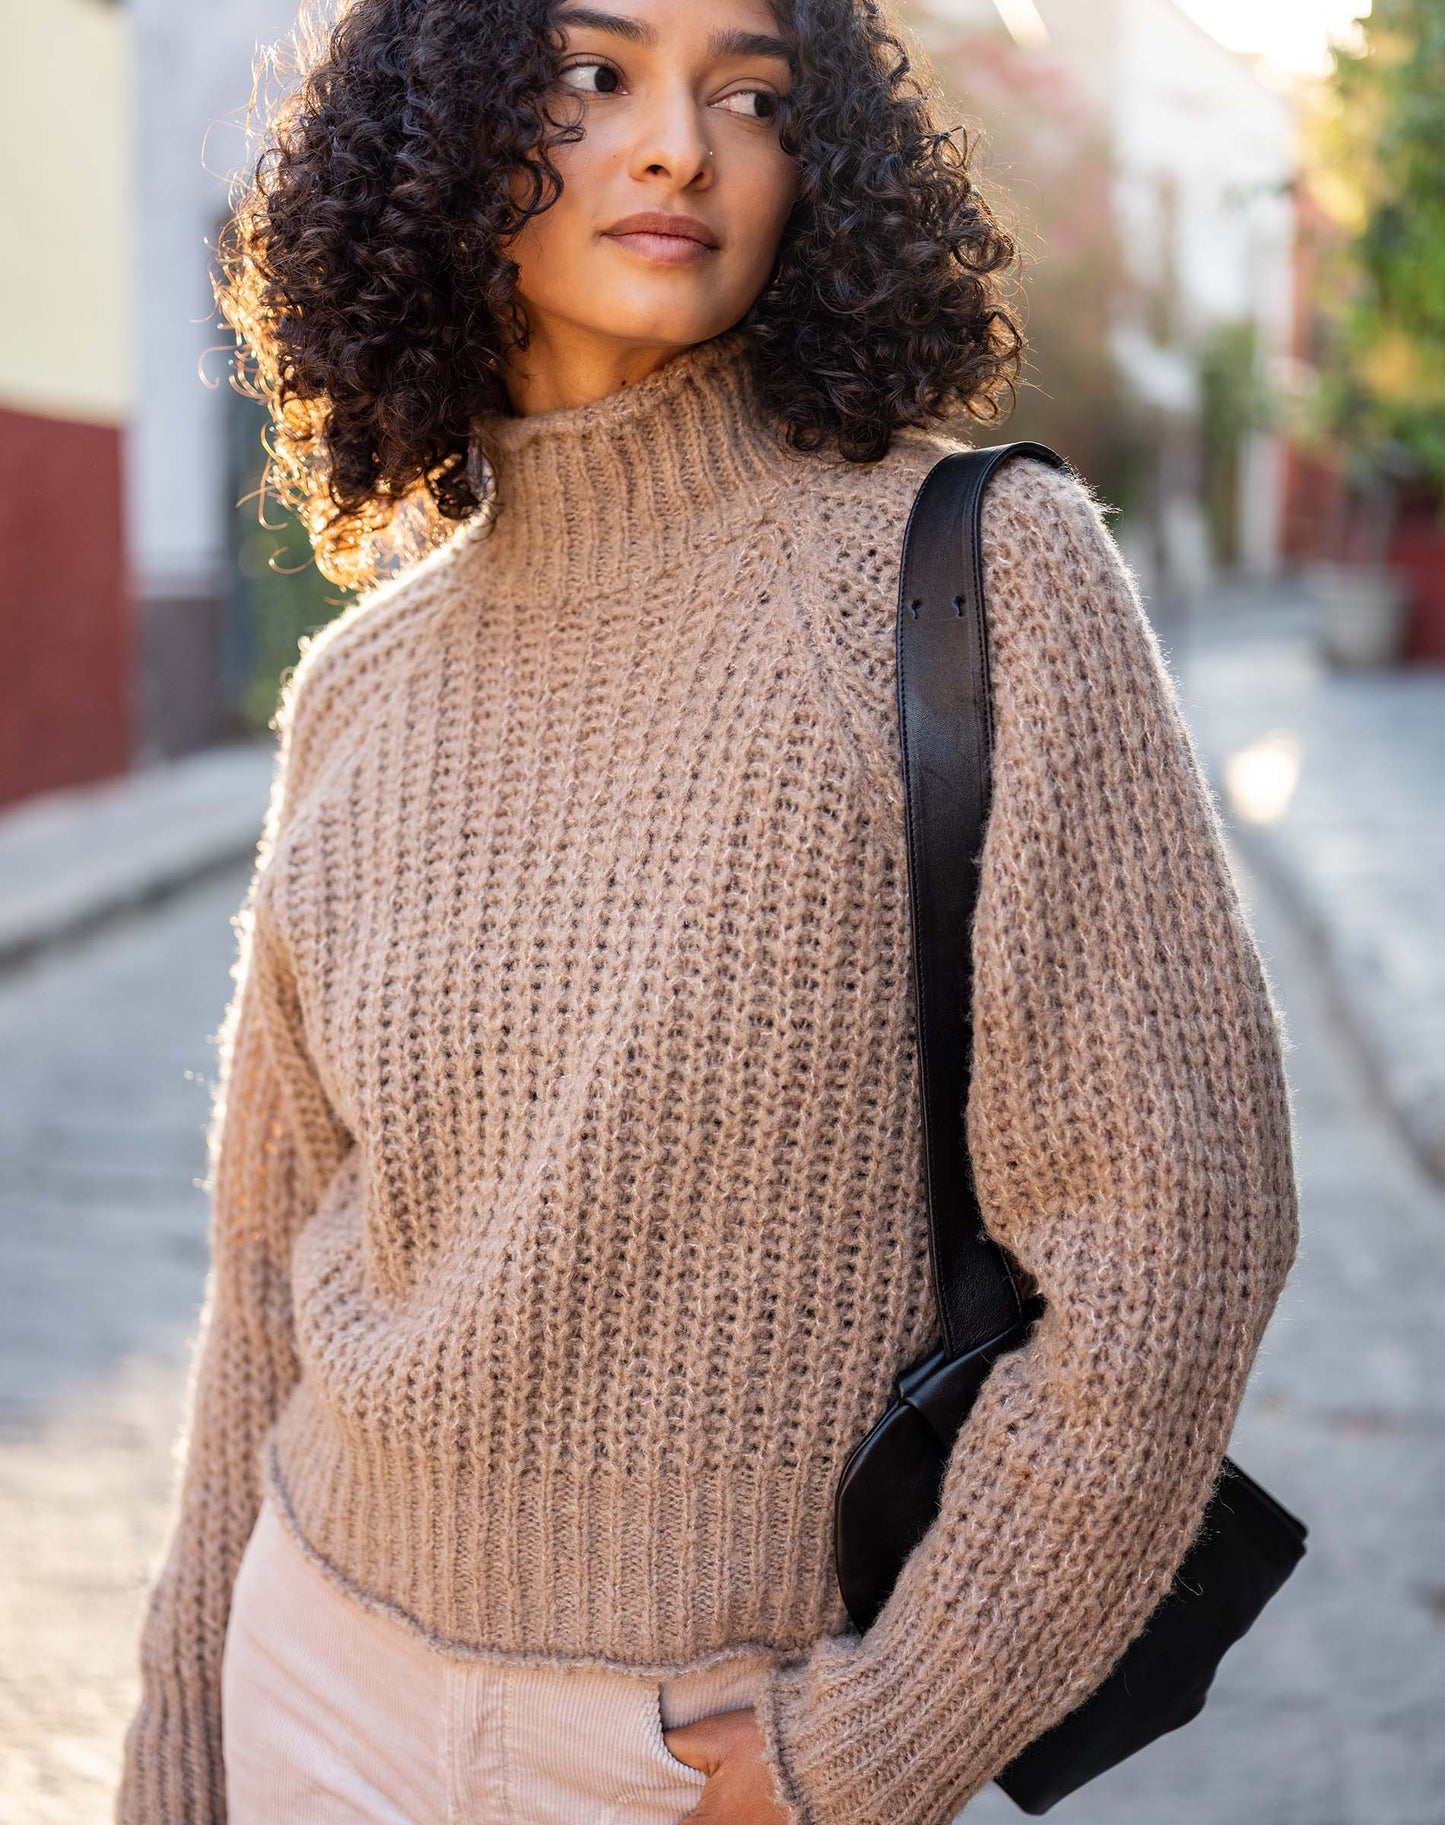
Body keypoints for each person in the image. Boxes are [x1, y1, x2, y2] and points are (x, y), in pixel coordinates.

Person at [116, 0, 1300, 1819]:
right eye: (593, 75)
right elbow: (270, 1273)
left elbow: (1176, 1232)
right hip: (311, 1690)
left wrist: (878, 1738)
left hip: (693, 1756)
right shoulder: (361, 688)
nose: (682, 144)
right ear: (435, 137)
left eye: (748, 93)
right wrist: (183, 1753)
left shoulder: (978, 578)